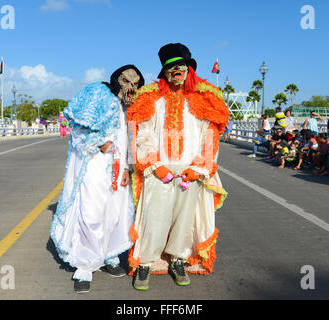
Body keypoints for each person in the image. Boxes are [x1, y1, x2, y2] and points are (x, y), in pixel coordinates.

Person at [126, 43, 229, 290]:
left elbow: (210, 136)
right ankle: (146, 262)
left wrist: (200, 167)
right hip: (159, 169)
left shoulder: (205, 97)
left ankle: (178, 259)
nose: (176, 70)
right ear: (165, 71)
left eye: (180, 65)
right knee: (154, 216)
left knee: (185, 219)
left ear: (188, 68)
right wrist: (154, 164)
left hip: (189, 170)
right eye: (171, 67)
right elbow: (143, 133)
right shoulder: (152, 96)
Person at [50, 65, 145, 293]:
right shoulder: (97, 94)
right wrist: (97, 142)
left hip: (118, 167)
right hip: (93, 164)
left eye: (136, 83)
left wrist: (126, 169)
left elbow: (131, 137)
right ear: (117, 80)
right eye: (126, 81)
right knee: (91, 213)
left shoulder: (130, 107)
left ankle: (108, 256)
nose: (131, 87)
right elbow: (75, 126)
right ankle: (84, 265)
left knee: (114, 214)